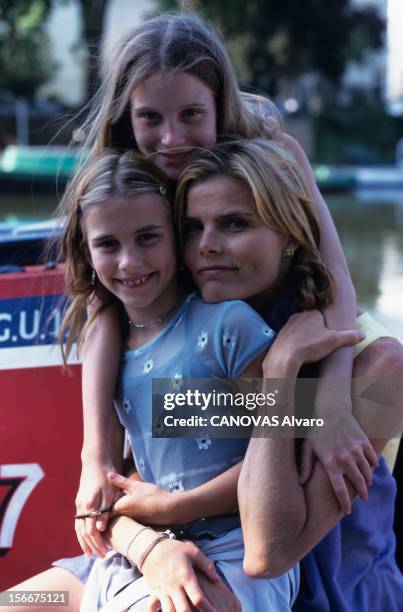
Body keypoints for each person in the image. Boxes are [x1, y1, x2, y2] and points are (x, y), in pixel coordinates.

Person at [59, 12, 368, 559]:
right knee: (180, 426)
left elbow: (336, 280)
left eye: (191, 115)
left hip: (301, 337)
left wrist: (334, 402)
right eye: (151, 117)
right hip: (207, 364)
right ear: (128, 118)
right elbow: (103, 309)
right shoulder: (130, 179)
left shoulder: (275, 156)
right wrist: (94, 457)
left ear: (219, 106)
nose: (172, 138)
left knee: (381, 378)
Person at [173, 137, 403, 611]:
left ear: (292, 236)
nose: (207, 247)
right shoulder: (199, 335)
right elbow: (136, 475)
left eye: (234, 223)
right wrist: (149, 545)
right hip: (202, 572)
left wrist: (281, 374)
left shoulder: (381, 366)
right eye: (193, 228)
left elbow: (267, 550)